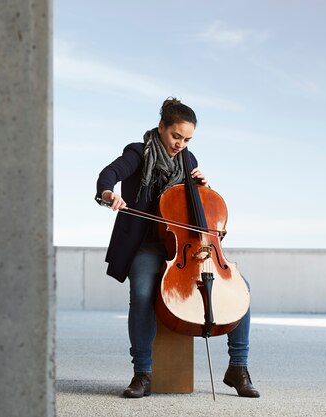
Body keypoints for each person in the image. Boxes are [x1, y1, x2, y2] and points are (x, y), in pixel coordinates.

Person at [95, 97, 260, 399]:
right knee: (143, 292)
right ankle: (142, 374)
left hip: (186, 247)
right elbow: (109, 175)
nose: (180, 144)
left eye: (187, 139)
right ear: (161, 127)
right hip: (146, 245)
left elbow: (197, 210)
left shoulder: (189, 160)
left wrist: (202, 187)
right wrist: (109, 194)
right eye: (176, 136)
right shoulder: (138, 153)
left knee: (240, 288)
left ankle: (238, 367)